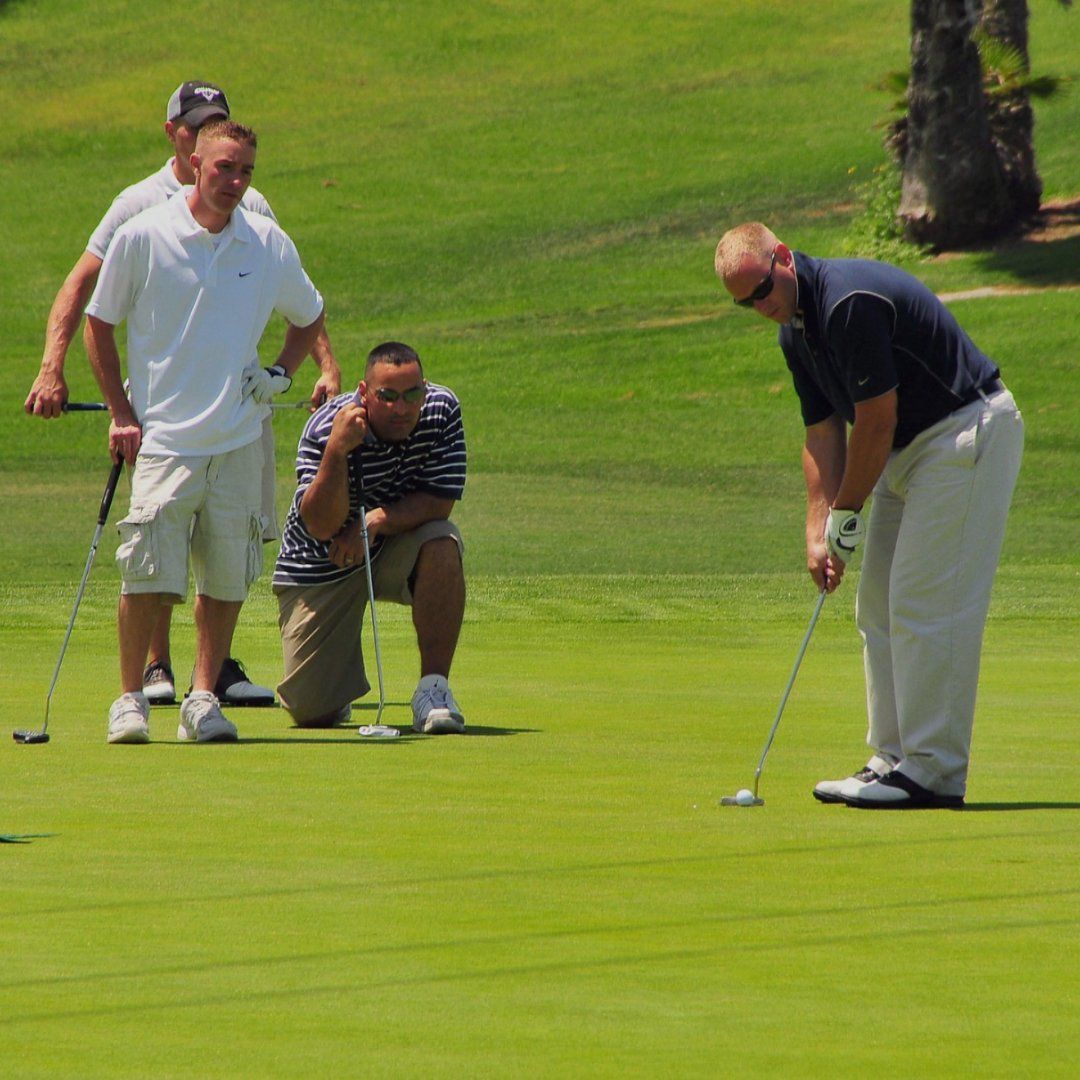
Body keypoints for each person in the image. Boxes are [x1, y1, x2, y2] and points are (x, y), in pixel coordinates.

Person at [25, 79, 342, 707]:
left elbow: (297, 297)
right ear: (182, 142)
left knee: (228, 562)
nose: (236, 178)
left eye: (244, 168)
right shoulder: (139, 213)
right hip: (165, 426)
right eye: (214, 151)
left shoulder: (257, 216)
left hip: (237, 425)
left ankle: (207, 685)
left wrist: (298, 370)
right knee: (152, 561)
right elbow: (88, 297)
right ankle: (150, 673)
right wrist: (57, 371)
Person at [715, 222, 1024, 809]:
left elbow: (877, 420)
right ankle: (892, 758)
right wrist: (818, 530)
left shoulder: (847, 302)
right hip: (908, 454)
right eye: (745, 303)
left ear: (783, 257)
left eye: (762, 289)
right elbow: (822, 435)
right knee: (877, 604)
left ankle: (933, 771)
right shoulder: (795, 334)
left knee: (923, 602)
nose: (761, 306)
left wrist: (847, 512)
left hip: (964, 432)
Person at [85, 120, 325, 743]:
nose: (236, 181)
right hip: (166, 441)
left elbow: (309, 314)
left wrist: (279, 374)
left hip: (238, 441)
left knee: (225, 579)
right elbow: (98, 323)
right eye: (225, 167)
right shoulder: (144, 234)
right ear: (194, 161)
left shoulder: (266, 242)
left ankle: (201, 697)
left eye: (246, 171)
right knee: (147, 577)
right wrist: (121, 413)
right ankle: (129, 699)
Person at [273, 341, 468, 734]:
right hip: (323, 562)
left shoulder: (441, 409)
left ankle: (433, 691)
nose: (401, 408)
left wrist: (376, 520)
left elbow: (440, 500)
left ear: (424, 388)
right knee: (313, 713)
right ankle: (335, 689)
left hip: (390, 544)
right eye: (387, 396)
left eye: (412, 394)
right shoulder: (327, 426)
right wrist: (337, 450)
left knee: (441, 540)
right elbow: (320, 525)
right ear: (364, 392)